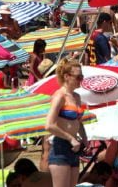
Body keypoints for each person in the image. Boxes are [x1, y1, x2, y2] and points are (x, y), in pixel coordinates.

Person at [46, 59, 88, 187]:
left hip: (74, 148)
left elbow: (78, 121)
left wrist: (84, 137)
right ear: (66, 77)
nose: (81, 79)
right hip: (61, 146)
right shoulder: (59, 96)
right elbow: (49, 125)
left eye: (82, 76)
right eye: (78, 77)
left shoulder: (76, 97)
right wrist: (71, 139)